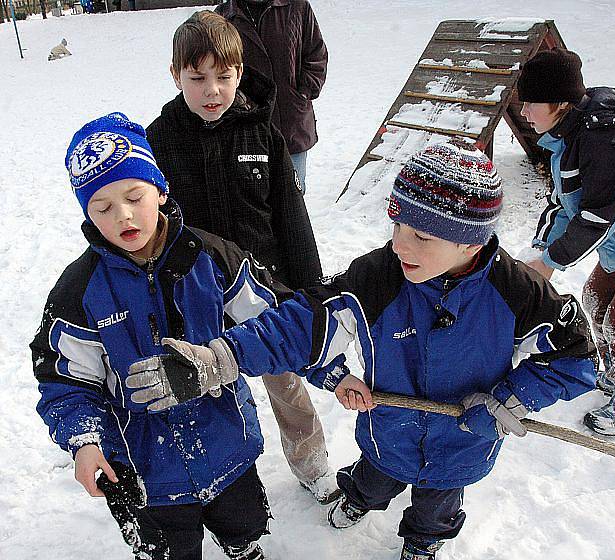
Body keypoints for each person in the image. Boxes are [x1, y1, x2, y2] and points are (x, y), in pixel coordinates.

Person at [127, 141, 598, 560]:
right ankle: (356, 498)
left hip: (464, 443)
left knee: (436, 509)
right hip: (386, 432)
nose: (399, 245)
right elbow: (301, 328)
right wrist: (221, 359)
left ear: (470, 241)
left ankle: (421, 543)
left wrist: (508, 401)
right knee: (372, 481)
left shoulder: (519, 293)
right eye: (397, 226)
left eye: (422, 236)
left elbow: (577, 357)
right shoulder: (379, 277)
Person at [31, 113, 365, 560]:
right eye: (103, 207)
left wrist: (333, 371)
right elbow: (66, 381)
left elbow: (279, 321)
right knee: (171, 548)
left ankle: (242, 546)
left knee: (242, 519)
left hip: (226, 443)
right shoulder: (79, 292)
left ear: (160, 190)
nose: (123, 215)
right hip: (144, 466)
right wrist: (85, 440)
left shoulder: (211, 258)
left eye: (134, 196)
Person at [146, 10, 338, 504]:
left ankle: (311, 462)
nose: (213, 90)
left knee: (286, 382)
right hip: (196, 295)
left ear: (239, 71)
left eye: (224, 76)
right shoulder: (159, 140)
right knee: (209, 386)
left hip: (259, 288)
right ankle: (222, 478)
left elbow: (290, 216)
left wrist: (309, 287)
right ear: (175, 75)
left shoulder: (262, 133)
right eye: (197, 78)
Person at [517, 48, 615, 435]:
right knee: (595, 300)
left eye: (530, 102)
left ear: (560, 103)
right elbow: (565, 203)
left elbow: (596, 217)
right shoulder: (570, 133)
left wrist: (551, 261)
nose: (523, 111)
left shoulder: (612, 142)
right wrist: (541, 250)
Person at [215, 0, 328, 193]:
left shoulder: (297, 6)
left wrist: (302, 92)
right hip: (247, 126)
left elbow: (316, 55)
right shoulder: (225, 15)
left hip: (292, 123)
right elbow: (216, 68)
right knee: (254, 196)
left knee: (293, 194)